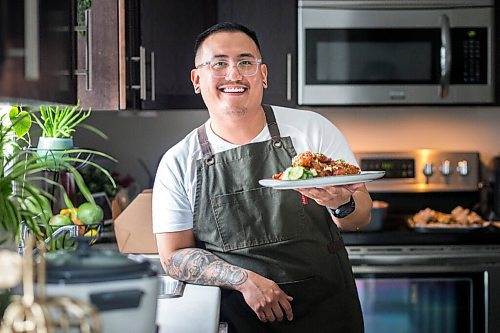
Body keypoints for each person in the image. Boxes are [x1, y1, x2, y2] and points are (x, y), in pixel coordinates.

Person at [153, 22, 373, 333]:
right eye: (219, 63)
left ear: (264, 74)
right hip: (239, 319)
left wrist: (342, 204)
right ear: (197, 79)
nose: (234, 75)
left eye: (246, 62)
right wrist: (244, 280)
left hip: (327, 312)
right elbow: (173, 255)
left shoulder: (312, 130)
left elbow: (360, 215)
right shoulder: (179, 162)